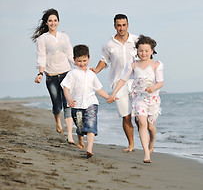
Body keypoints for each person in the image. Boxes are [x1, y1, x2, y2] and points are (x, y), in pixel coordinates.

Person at [108, 35, 164, 163]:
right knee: (142, 123)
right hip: (139, 98)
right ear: (137, 51)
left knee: (150, 126)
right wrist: (113, 94)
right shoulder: (133, 65)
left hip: (153, 98)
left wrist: (153, 87)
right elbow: (122, 80)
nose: (143, 53)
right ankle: (146, 154)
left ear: (151, 51)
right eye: (140, 50)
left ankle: (152, 141)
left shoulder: (156, 65)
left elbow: (160, 83)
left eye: (146, 51)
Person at [90, 14, 138, 152]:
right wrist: (96, 71)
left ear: (127, 25)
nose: (121, 28)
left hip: (136, 82)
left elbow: (146, 55)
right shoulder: (109, 45)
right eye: (118, 25)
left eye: (123, 25)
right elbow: (104, 60)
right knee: (126, 116)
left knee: (139, 117)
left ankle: (145, 140)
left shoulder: (136, 40)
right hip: (118, 83)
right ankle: (131, 144)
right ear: (114, 26)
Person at [32, 8, 75, 145]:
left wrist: (80, 65)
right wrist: (40, 73)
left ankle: (69, 136)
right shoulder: (42, 39)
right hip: (51, 76)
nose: (53, 23)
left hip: (66, 73)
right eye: (50, 21)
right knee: (57, 106)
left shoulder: (64, 36)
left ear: (58, 22)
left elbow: (69, 55)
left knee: (68, 104)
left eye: (55, 20)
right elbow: (42, 57)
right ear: (46, 23)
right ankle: (57, 119)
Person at [61, 45, 110, 158]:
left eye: (84, 60)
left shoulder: (92, 74)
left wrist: (108, 97)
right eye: (79, 61)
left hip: (91, 103)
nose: (82, 63)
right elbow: (66, 88)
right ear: (74, 60)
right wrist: (68, 99)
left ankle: (89, 149)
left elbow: (99, 89)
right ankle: (80, 138)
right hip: (76, 105)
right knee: (80, 127)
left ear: (89, 58)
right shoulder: (72, 74)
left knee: (91, 125)